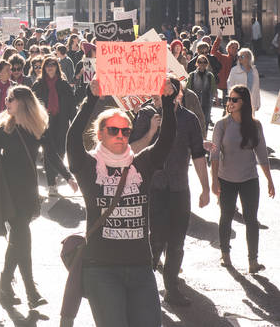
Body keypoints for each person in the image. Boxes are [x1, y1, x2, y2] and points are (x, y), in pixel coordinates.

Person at [66, 77, 176, 327]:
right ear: (100, 134)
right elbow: (72, 140)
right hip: (101, 269)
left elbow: (167, 140)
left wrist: (167, 103)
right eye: (113, 130)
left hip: (140, 268)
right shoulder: (88, 167)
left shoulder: (141, 164)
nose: (120, 135)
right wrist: (90, 99)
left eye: (125, 131)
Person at [0, 85, 76, 309]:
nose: (7, 102)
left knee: (19, 240)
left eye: (11, 99)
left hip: (28, 189)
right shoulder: (0, 127)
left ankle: (5, 284)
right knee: (21, 236)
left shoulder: (37, 127)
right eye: (7, 99)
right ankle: (30, 290)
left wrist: (68, 176)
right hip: (8, 189)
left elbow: (52, 154)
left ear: (24, 103)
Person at [129, 78, 210, 306]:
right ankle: (143, 288)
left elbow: (198, 154)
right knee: (154, 241)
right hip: (153, 189)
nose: (159, 95)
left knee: (176, 243)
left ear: (177, 94)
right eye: (157, 91)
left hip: (179, 189)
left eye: (165, 91)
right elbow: (131, 150)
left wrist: (205, 188)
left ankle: (171, 288)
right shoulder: (146, 115)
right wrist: (151, 131)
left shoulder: (189, 119)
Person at [210, 85, 274, 273]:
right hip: (226, 179)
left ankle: (253, 261)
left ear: (244, 102)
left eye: (234, 99)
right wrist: (214, 181)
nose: (229, 102)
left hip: (249, 179)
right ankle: (225, 253)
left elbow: (262, 154)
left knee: (251, 220)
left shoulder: (255, 125)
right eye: (228, 99)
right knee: (226, 216)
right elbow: (214, 155)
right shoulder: (222, 124)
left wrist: (269, 180)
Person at [32, 56, 76, 196]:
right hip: (45, 122)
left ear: (57, 67)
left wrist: (73, 123)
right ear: (44, 68)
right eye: (47, 65)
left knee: (60, 151)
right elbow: (33, 105)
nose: (50, 67)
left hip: (61, 121)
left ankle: (56, 174)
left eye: (53, 65)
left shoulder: (64, 85)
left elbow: (71, 106)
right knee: (49, 152)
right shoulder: (38, 85)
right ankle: (51, 183)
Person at [186, 55, 217, 133]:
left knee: (205, 121)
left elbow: (213, 88)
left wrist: (215, 98)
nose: (202, 64)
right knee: (193, 120)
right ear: (197, 63)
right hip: (194, 102)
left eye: (204, 62)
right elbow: (187, 88)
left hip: (207, 102)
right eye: (200, 62)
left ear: (207, 63)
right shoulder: (191, 75)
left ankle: (204, 136)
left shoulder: (210, 76)